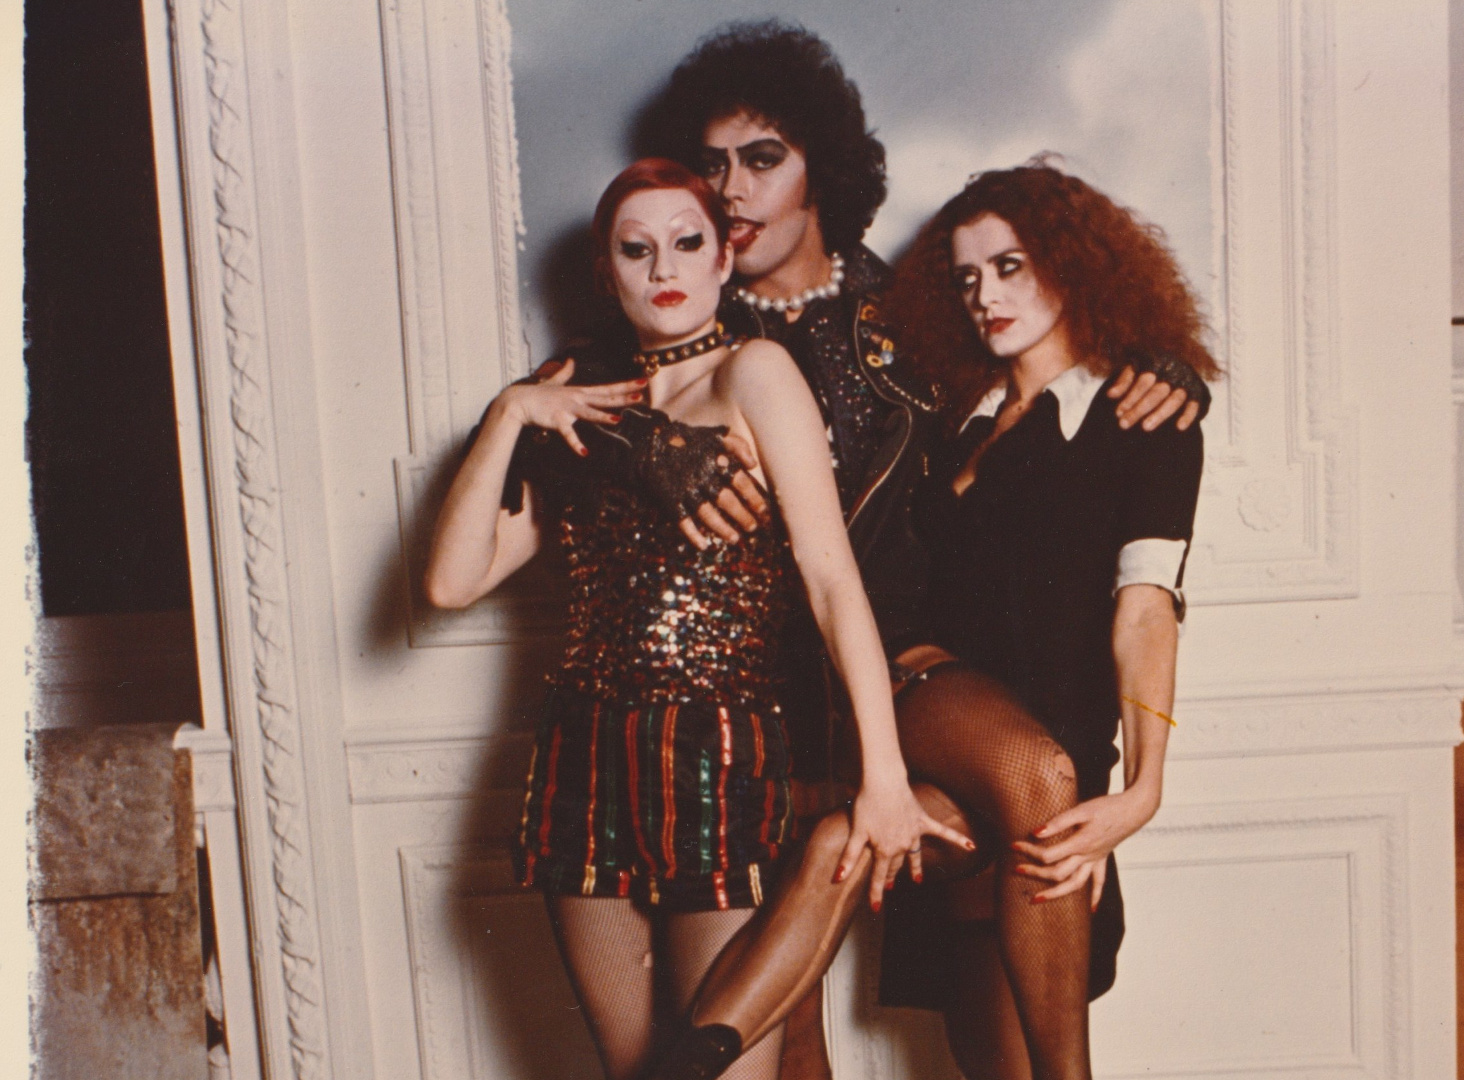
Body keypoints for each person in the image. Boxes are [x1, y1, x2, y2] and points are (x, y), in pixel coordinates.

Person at [624, 29, 1213, 1074]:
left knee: (975, 843)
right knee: (802, 1032)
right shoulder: (691, 328)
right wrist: (650, 445)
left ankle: (694, 1055)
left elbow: (1137, 585)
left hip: (968, 717)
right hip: (784, 704)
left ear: (822, 168)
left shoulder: (909, 333)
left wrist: (1166, 370)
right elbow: (597, 397)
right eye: (712, 165)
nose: (732, 189)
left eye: (763, 157)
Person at [425, 158, 970, 1080]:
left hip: (716, 756)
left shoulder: (755, 371)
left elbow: (832, 579)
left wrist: (884, 776)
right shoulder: (586, 408)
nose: (664, 268)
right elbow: (450, 581)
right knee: (636, 1070)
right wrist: (512, 412)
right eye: (636, 250)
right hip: (582, 757)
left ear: (724, 259)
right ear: (608, 273)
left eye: (687, 243)